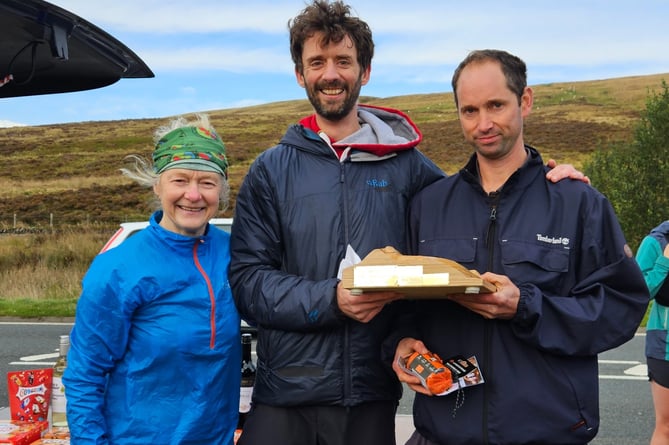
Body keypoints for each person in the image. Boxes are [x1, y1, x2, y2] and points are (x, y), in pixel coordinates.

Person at [229, 2, 588, 444]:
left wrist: (547, 178)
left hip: (373, 396)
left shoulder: (410, 168)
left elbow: (483, 200)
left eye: (343, 60)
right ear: (300, 75)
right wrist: (331, 299)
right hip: (285, 397)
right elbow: (247, 282)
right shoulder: (270, 170)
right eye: (316, 62)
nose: (331, 74)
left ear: (366, 70)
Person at [391, 49, 650, 445]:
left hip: (546, 433)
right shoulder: (428, 206)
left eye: (496, 105)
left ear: (525, 101)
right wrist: (400, 344)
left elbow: (621, 307)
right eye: (470, 110)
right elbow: (399, 305)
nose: (484, 123)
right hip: (442, 432)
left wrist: (526, 307)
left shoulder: (579, 204)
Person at [63, 114, 241, 444]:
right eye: (180, 180)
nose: (193, 194)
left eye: (207, 182)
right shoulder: (118, 268)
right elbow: (85, 374)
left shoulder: (235, 253)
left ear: (222, 190)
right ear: (157, 185)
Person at [636, 221, 669, 445]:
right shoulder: (655, 242)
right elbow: (637, 291)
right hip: (665, 346)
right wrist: (665, 262)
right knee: (666, 426)